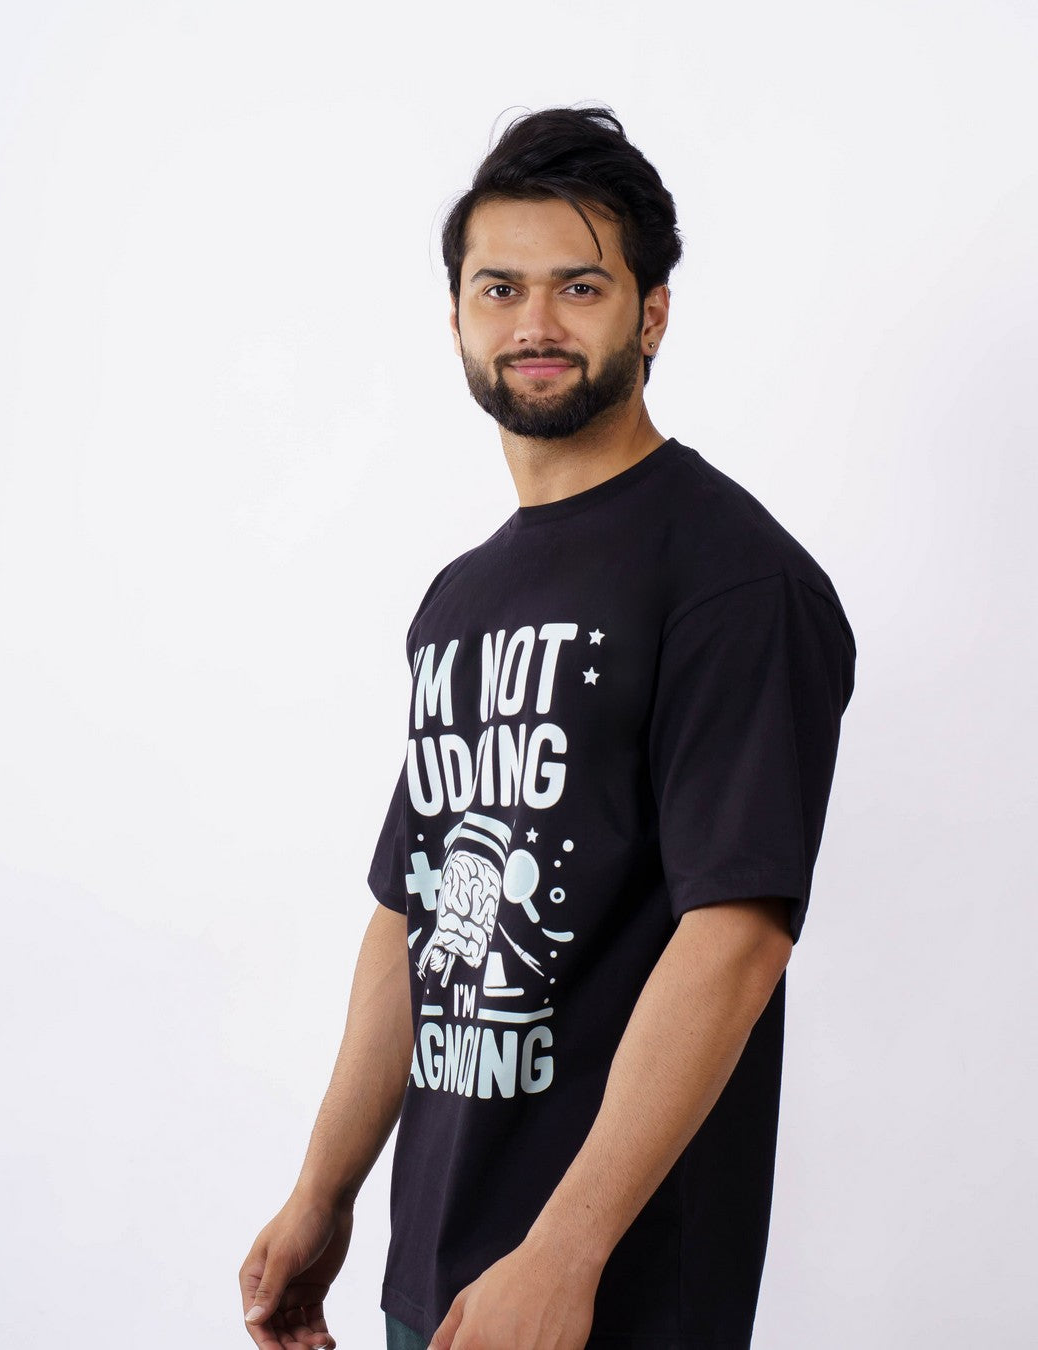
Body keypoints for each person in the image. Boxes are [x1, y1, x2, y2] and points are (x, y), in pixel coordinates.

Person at [239, 105, 857, 1350]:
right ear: (457, 318)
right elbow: (409, 916)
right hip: (437, 1278)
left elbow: (738, 937)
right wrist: (325, 1192)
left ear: (652, 314)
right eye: (500, 288)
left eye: (580, 286)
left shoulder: (736, 580)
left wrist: (567, 1251)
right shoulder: (460, 599)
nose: (534, 323)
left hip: (606, 1292)